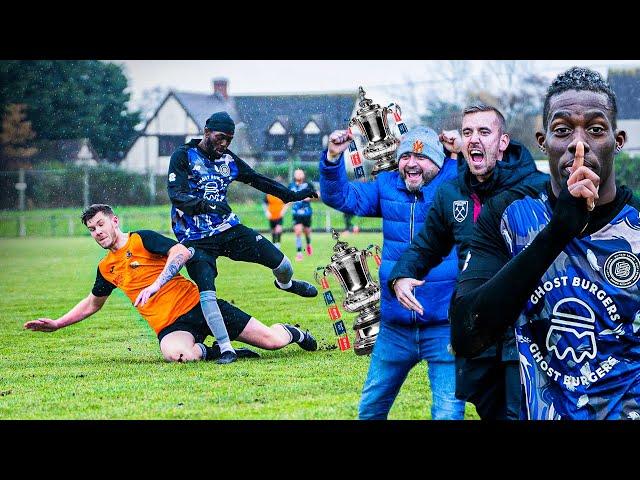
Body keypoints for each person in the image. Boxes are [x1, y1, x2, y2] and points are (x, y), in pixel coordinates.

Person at [450, 67, 640, 420]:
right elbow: (466, 334)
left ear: (618, 140)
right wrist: (557, 232)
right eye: (562, 130)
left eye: (596, 130)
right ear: (543, 141)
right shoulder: (508, 216)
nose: (578, 144)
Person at [388, 104, 547, 420]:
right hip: (476, 324)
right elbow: (426, 245)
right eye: (467, 132)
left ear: (503, 142)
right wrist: (403, 274)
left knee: (523, 410)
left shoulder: (536, 188)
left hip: (525, 324)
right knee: (490, 408)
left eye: (484, 132)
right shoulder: (451, 193)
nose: (474, 139)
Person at [24, 204, 318, 363]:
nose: (97, 232)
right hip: (170, 326)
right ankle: (218, 351)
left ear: (114, 221)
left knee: (273, 342)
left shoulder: (142, 238)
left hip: (200, 306)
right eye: (91, 229)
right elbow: (92, 303)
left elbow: (181, 251)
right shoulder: (106, 267)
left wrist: (155, 285)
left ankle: (292, 332)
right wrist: (58, 324)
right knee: (177, 355)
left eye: (101, 224)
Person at [320, 125, 466, 420]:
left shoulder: (457, 184)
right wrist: (333, 158)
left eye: (422, 157)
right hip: (395, 328)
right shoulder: (386, 186)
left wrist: (463, 150)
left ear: (439, 162)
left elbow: (491, 175)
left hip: (444, 326)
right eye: (405, 156)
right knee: (371, 410)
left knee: (448, 413)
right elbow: (342, 197)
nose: (411, 163)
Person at [168, 111, 318, 364]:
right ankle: (226, 349)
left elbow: (259, 181)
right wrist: (206, 206)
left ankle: (286, 285)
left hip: (228, 230)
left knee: (283, 264)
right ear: (206, 132)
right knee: (207, 291)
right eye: (219, 137)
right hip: (194, 238)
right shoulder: (183, 155)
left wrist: (292, 195)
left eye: (229, 139)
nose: (224, 144)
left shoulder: (228, 160)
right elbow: (176, 194)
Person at [289, 169, 317, 261]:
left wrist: (309, 199)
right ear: (294, 175)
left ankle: (308, 244)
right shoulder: (291, 186)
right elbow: (286, 197)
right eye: (297, 173)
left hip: (307, 213)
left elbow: (317, 195)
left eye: (300, 173)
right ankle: (299, 252)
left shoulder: (308, 185)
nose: (299, 175)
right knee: (298, 232)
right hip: (296, 213)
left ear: (303, 175)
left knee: (307, 232)